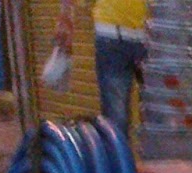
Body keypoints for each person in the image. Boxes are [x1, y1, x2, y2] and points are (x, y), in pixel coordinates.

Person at [50, 0, 148, 135]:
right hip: (112, 37)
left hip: (152, 36)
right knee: (116, 116)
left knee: (157, 111)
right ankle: (116, 148)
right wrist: (65, 17)